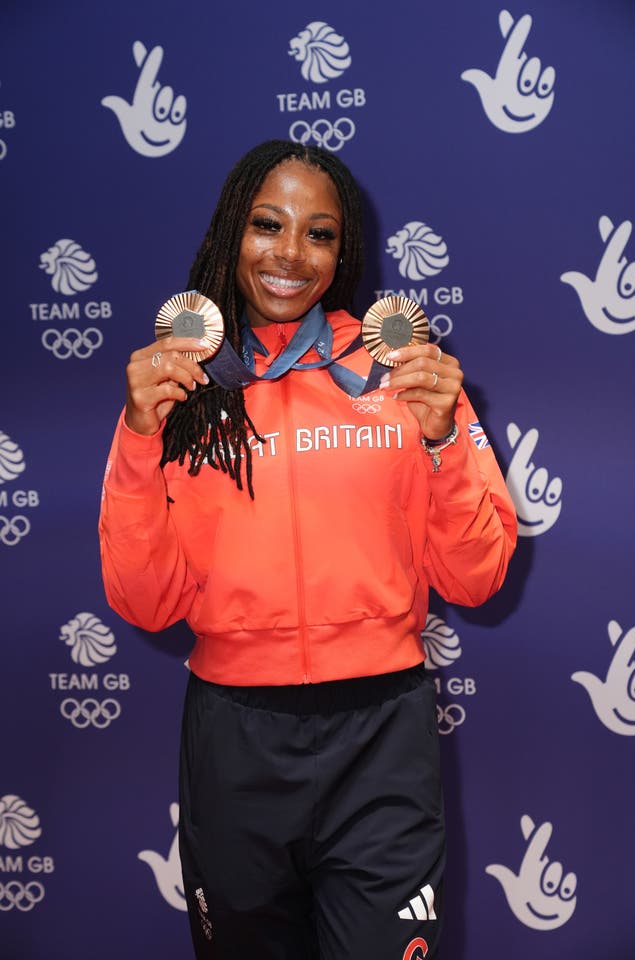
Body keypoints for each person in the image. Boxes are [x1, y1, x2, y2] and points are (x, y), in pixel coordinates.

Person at [99, 139, 517, 959]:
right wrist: (140, 437)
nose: (291, 254)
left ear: (343, 250)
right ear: (232, 230)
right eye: (268, 224)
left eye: (319, 233)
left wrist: (441, 443)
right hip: (235, 741)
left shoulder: (405, 374)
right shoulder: (183, 385)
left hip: (381, 744)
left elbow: (477, 577)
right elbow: (143, 600)